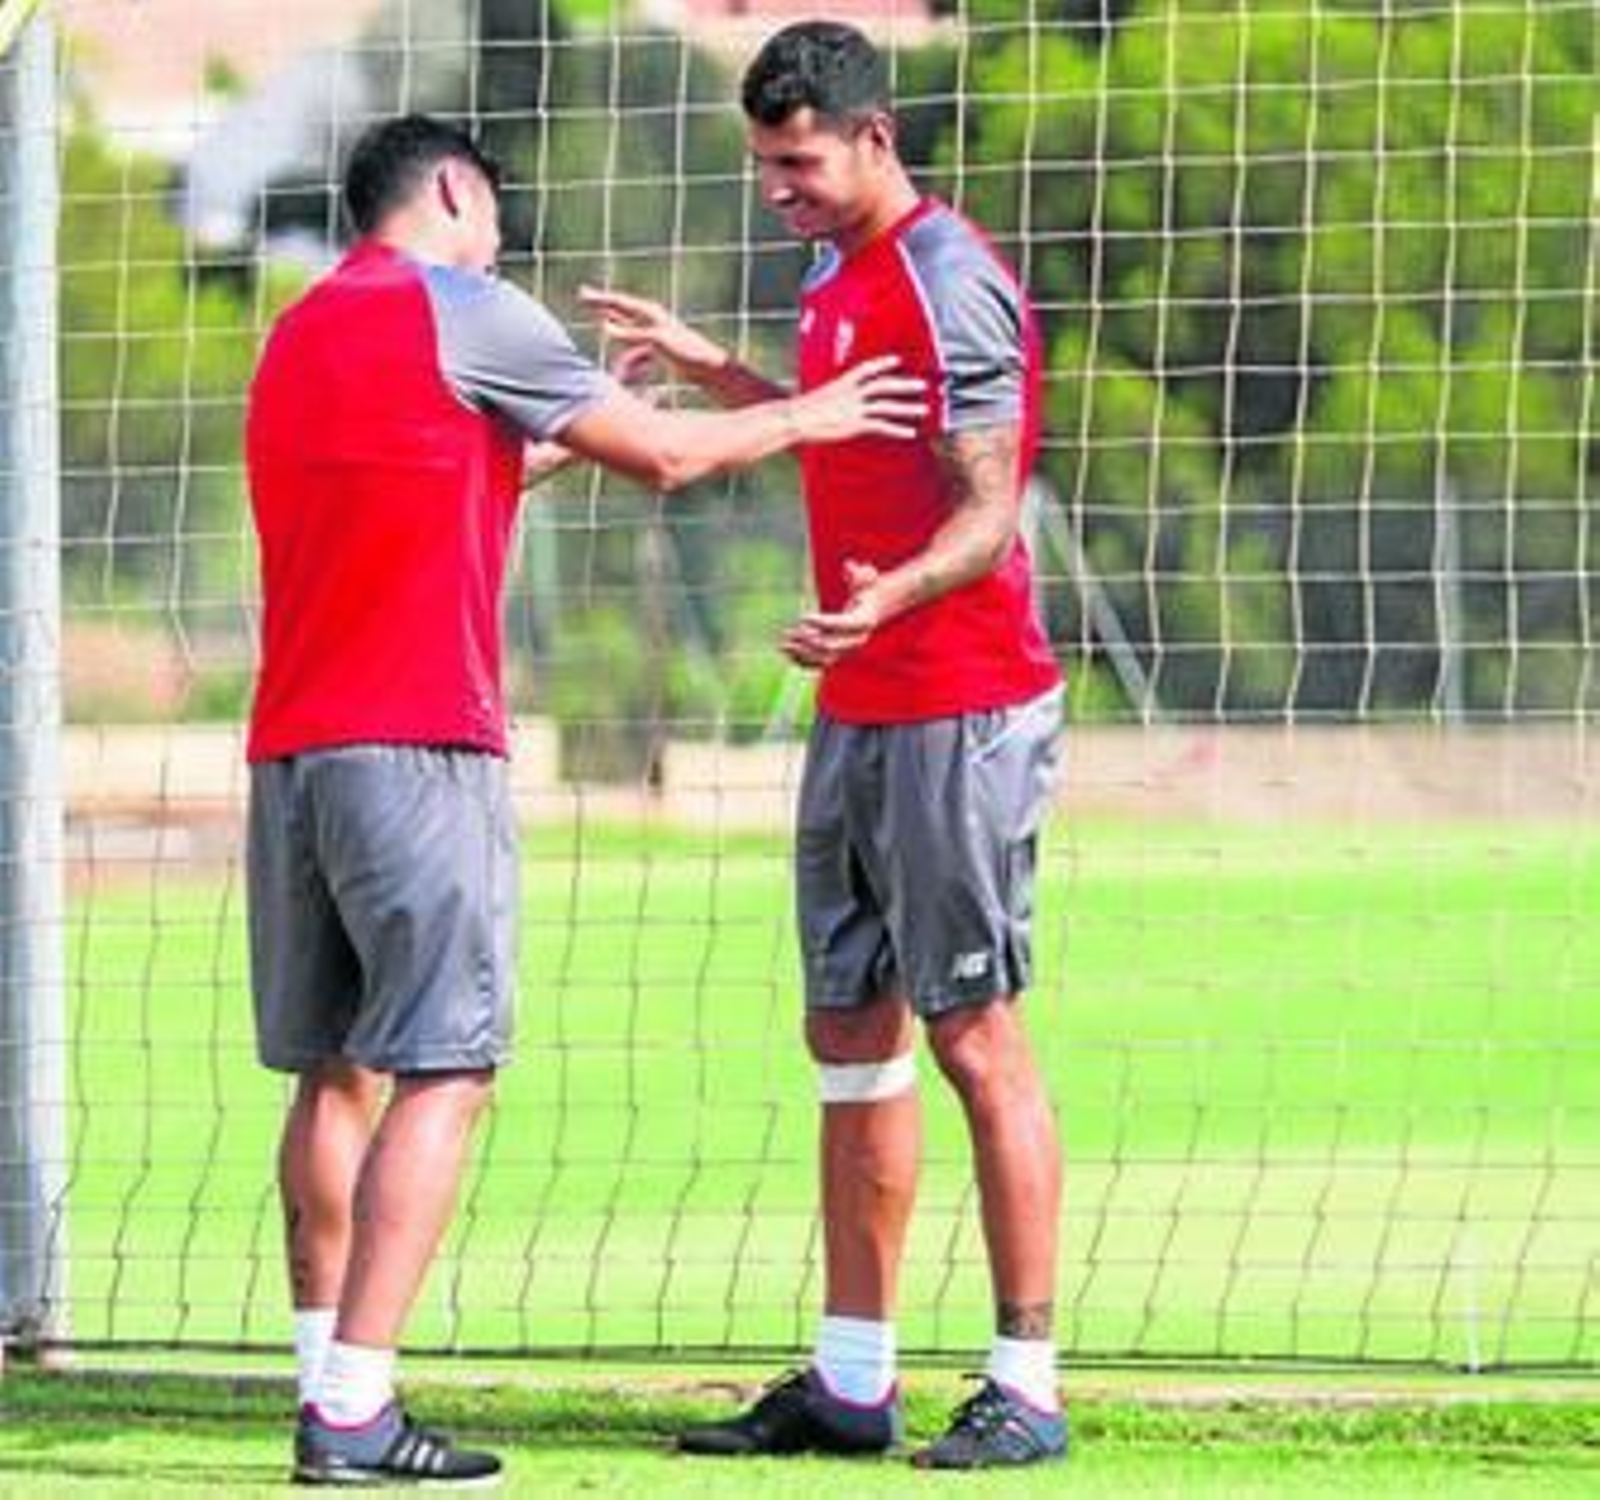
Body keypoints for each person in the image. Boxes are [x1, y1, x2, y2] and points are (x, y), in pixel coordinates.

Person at [244, 112, 924, 1488]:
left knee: (338, 1068)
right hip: (421, 745)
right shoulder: (467, 303)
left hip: (292, 755)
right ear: (448, 190)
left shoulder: (301, 333)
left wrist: (561, 443)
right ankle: (359, 1410)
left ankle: (327, 1378)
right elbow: (665, 464)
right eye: (492, 209)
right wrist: (805, 412)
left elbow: (440, 475)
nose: (502, 238)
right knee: (452, 1064)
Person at [584, 19, 1067, 1473]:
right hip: (855, 702)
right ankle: (855, 1382)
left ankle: (1027, 1385)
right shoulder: (826, 270)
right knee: (849, 1032)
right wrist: (716, 365)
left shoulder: (950, 284)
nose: (778, 189)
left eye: (798, 164)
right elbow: (841, 434)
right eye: (764, 166)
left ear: (874, 138)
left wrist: (889, 598)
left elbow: (989, 509)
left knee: (976, 1037)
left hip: (960, 700)